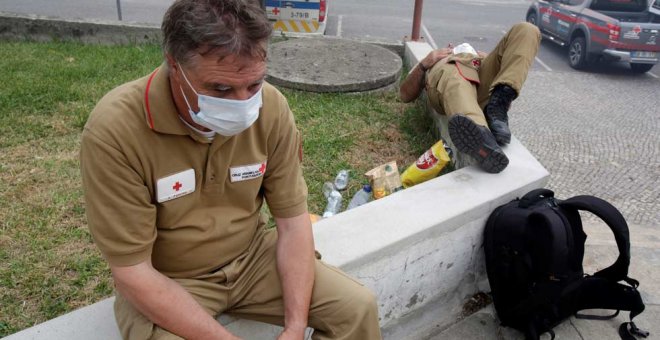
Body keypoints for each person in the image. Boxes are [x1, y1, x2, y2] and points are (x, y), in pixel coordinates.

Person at [79, 0, 381, 339]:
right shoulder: (115, 131)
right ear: (174, 66)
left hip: (253, 259)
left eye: (253, 85)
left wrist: (295, 327)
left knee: (357, 309)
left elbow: (293, 224)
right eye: (221, 89)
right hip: (170, 278)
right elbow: (132, 271)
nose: (242, 104)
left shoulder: (271, 108)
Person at [400, 22, 541, 173]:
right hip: (451, 74)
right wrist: (425, 63)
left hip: (479, 75)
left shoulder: (479, 58)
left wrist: (494, 65)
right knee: (456, 81)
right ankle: (483, 140)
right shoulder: (438, 58)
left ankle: (500, 100)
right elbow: (404, 95)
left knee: (527, 30)